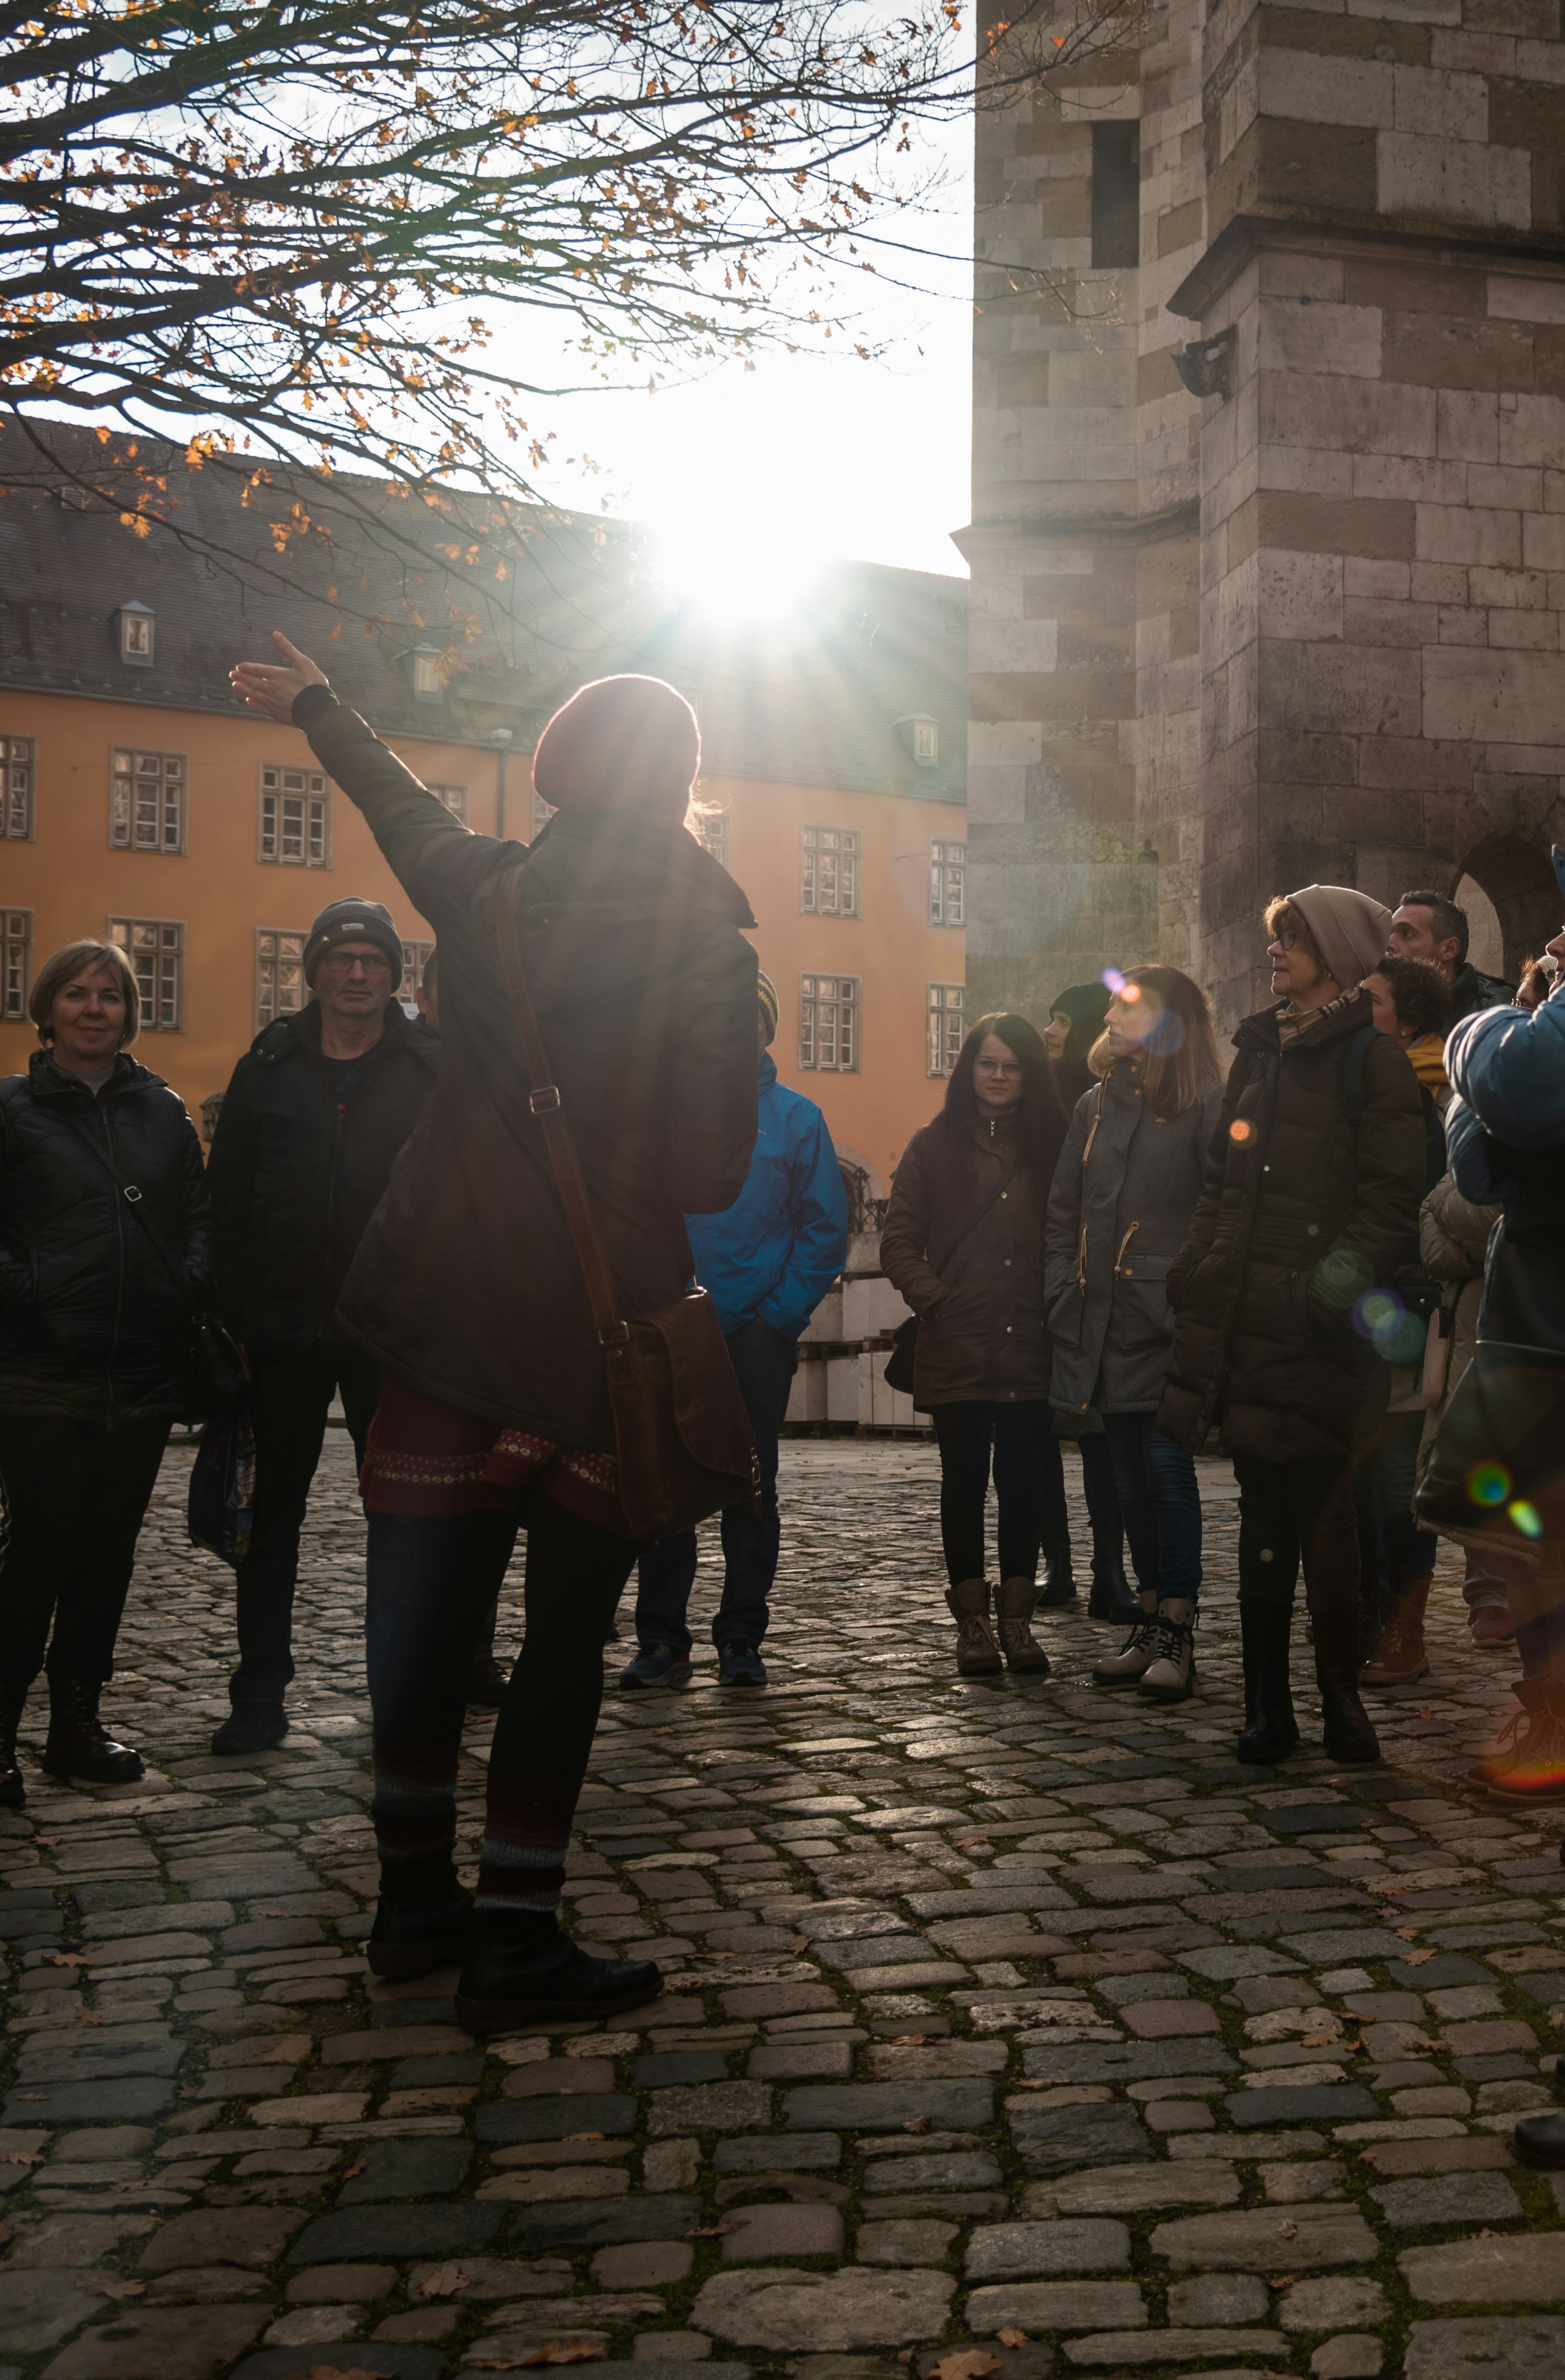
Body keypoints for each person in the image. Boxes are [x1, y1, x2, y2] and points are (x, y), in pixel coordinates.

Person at [230, 633, 759, 2033]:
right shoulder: (702, 934)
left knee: (423, 1623)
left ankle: (411, 1907)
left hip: (440, 1307)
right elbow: (710, 1168)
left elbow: (400, 807)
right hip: (593, 1332)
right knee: (563, 1639)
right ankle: (516, 1923)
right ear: (680, 784)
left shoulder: (487, 890)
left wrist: (317, 703)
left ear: (557, 775)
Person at [1159, 885, 1425, 1764]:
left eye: (1293, 938)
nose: (1275, 951)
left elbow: (1391, 1207)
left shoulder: (1373, 1063)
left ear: (1336, 952)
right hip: (1248, 1318)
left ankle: (1342, 1700)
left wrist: (1322, 1294)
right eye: (1277, 937)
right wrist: (1196, 1269)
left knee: (1329, 1517)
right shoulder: (1258, 1053)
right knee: (1265, 1520)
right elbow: (1220, 1185)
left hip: (1318, 1329)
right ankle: (1268, 1705)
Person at [206, 898, 439, 1755]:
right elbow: (225, 1200)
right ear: (313, 972)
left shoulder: (428, 1069)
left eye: (373, 960)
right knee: (273, 1522)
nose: (356, 974)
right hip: (283, 1328)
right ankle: (258, 1696)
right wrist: (230, 1314)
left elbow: (456, 1200)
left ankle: (399, 1693)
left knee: (403, 1519)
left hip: (390, 1330)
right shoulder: (267, 1066)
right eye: (340, 959)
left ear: (393, 976)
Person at [0, 939, 212, 1803]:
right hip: (41, 1370)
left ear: (131, 1012)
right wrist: (34, 1298)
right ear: (47, 1010)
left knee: (107, 1558)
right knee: (33, 1557)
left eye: (112, 996)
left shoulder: (160, 1108)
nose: (96, 1009)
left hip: (141, 1372)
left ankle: (75, 1727)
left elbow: (197, 1214)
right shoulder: (11, 1110)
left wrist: (186, 1283)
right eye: (78, 995)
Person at [622, 972, 848, 1691]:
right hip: (670, 1325)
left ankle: (741, 1635)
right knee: (665, 1485)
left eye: (744, 1018)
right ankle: (661, 1638)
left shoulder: (796, 1118)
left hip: (756, 1329)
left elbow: (822, 1227)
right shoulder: (663, 1116)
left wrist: (778, 1316)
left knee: (752, 1487)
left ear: (765, 1029)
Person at [1045, 967, 1224, 1701]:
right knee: (1124, 1481)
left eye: (1129, 1007)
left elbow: (1216, 1214)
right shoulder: (1092, 1105)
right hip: (1099, 1319)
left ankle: (1177, 1627)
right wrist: (1062, 1290)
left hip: (1166, 1320)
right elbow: (1064, 1212)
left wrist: (1188, 1299)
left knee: (1165, 1472)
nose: (1112, 1019)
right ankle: (1149, 1620)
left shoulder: (1205, 1106)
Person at [881, 1012, 1069, 1677]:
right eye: (987, 1064)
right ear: (969, 1071)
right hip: (958, 1344)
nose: (997, 1076)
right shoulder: (932, 1146)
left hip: (1031, 1342)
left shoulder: (1052, 1143)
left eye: (1011, 1066)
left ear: (1028, 1075)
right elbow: (898, 1239)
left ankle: (1017, 1622)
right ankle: (972, 1625)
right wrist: (936, 1298)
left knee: (1023, 1486)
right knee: (961, 1484)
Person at [1440, 850, 1565, 1811]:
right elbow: (1487, 1169)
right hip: (1541, 1325)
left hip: (1549, 1327)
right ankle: (1549, 1716)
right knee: (1537, 1543)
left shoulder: (1527, 1024)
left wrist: (1489, 1021)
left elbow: (1517, 1090)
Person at [1353, 957, 1452, 1688]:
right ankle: (1371, 1613)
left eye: (1372, 1003)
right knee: (1360, 1475)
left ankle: (1402, 1627)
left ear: (1407, 1021)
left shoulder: (1428, 1101)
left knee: (1395, 1478)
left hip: (1400, 1308)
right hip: (1352, 1305)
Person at [1040, 982, 1137, 1621]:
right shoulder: (1071, 1101)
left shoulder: (1105, 1102)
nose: (1051, 1031)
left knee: (1108, 1442)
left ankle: (1110, 1569)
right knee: (1053, 1438)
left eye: (1059, 1019)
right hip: (1063, 1286)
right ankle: (1063, 1565)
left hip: (1109, 1288)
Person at [1387, 888, 1514, 1025]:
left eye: (1407, 934)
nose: (1388, 944)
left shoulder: (1495, 1017)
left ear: (1449, 949)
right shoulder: (1373, 1002)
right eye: (1389, 933)